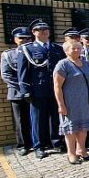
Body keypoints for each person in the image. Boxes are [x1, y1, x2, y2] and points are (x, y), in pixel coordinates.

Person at [16, 19, 65, 159]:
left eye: (45, 29)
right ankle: (39, 146)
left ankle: (56, 142)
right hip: (38, 90)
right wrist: (25, 91)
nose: (43, 31)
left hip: (56, 89)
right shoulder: (27, 49)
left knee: (56, 117)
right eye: (39, 29)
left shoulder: (57, 48)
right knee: (38, 120)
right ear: (33, 32)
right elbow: (23, 72)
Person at [53, 41, 89, 164]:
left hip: (84, 101)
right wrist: (61, 105)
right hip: (70, 102)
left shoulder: (85, 63)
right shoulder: (62, 64)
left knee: (83, 126)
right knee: (71, 129)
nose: (76, 50)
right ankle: (71, 153)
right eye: (73, 48)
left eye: (78, 48)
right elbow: (57, 86)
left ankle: (81, 150)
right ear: (66, 51)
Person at [0, 27, 33, 156]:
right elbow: (6, 76)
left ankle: (39, 143)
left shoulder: (35, 52)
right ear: (15, 40)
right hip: (17, 93)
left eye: (28, 38)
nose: (25, 40)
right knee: (20, 121)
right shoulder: (8, 54)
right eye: (21, 38)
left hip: (35, 92)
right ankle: (23, 145)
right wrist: (24, 89)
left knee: (36, 119)